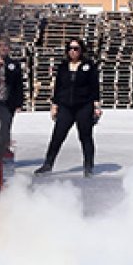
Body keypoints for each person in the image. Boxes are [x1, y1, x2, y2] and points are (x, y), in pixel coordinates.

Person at [34, 38, 101, 177]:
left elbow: (95, 86)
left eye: (76, 48)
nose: (73, 51)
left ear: (81, 50)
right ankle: (48, 164)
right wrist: (54, 105)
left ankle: (88, 166)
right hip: (66, 106)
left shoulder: (89, 65)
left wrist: (96, 105)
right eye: (70, 48)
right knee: (57, 136)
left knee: (85, 137)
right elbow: (58, 87)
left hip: (84, 105)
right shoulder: (63, 66)